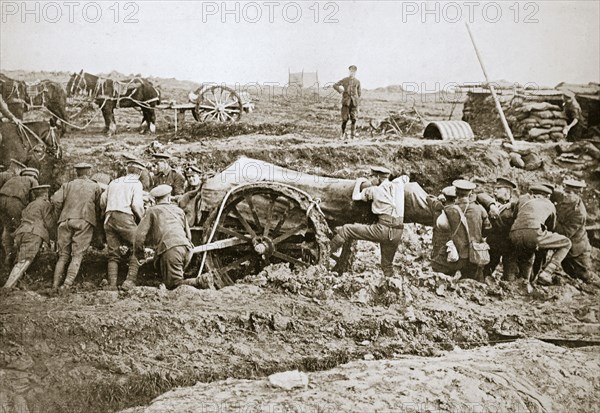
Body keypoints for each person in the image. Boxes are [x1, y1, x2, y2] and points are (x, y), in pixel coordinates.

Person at [330, 166, 408, 278]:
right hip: (397, 232)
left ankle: (324, 257)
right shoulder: (399, 184)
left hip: (382, 229)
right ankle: (392, 289)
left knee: (346, 229)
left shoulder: (374, 190)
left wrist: (358, 182)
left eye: (372, 177)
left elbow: (355, 197)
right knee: (387, 265)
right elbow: (405, 177)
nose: (370, 180)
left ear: (378, 178)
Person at [132, 185, 197, 289]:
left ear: (155, 199)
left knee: (174, 284)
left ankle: (199, 281)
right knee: (174, 281)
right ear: (168, 197)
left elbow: (139, 237)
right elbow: (189, 235)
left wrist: (140, 255)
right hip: (186, 249)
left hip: (170, 249)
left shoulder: (152, 211)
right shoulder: (179, 211)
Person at [52, 163, 103, 289]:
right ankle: (67, 285)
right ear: (89, 172)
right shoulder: (95, 186)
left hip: (65, 220)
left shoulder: (67, 185)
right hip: (84, 221)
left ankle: (54, 285)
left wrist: (60, 215)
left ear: (77, 172)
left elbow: (56, 200)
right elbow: (99, 207)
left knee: (63, 256)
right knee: (77, 255)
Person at [509, 183, 571, 287]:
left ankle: (522, 283)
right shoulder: (549, 204)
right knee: (566, 243)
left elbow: (515, 216)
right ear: (547, 196)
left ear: (533, 193)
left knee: (526, 256)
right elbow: (551, 227)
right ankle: (547, 272)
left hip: (514, 234)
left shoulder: (523, 199)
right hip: (534, 234)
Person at [431, 180, 491, 282]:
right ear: (470, 193)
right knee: (476, 282)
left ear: (456, 192)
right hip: (475, 256)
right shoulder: (479, 209)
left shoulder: (449, 210)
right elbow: (487, 229)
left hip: (456, 256)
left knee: (435, 267)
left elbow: (441, 227)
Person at [100, 160, 146, 289]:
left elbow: (103, 201)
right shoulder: (136, 183)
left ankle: (112, 284)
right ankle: (129, 281)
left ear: (127, 170)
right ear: (140, 172)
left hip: (109, 218)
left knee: (113, 253)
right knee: (137, 247)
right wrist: (143, 219)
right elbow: (136, 205)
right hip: (124, 217)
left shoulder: (114, 182)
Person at [3, 185, 55, 288]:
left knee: (21, 259)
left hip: (21, 233)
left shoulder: (30, 205)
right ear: (45, 194)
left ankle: (17, 284)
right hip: (33, 233)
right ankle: (7, 287)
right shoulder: (45, 204)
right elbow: (49, 223)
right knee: (24, 261)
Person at [477, 177, 519, 281]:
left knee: (510, 276)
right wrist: (491, 205)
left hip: (509, 246)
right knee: (485, 271)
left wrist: (512, 205)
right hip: (493, 244)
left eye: (499, 188)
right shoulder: (492, 202)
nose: (495, 190)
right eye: (495, 188)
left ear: (508, 191)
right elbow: (479, 195)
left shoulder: (514, 206)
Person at [552, 179, 594, 283]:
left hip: (577, 251)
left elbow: (564, 233)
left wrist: (551, 219)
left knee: (586, 277)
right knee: (570, 273)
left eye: (569, 193)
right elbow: (550, 191)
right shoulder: (562, 196)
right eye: (564, 191)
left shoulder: (579, 213)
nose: (564, 195)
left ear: (577, 195)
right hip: (565, 248)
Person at [0, 168, 39, 265]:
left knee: (8, 228)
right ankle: (18, 256)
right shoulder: (32, 180)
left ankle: (8, 252)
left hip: (1, 200)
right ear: (34, 176)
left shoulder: (13, 179)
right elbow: (35, 200)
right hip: (15, 202)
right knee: (20, 228)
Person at [333, 65, 361, 139]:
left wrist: (356, 100)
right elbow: (335, 85)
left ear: (355, 72)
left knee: (354, 119)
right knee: (345, 119)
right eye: (351, 71)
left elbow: (359, 93)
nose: (352, 73)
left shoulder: (357, 81)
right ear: (349, 71)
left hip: (354, 103)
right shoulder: (345, 80)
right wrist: (340, 90)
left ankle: (353, 135)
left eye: (354, 71)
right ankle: (342, 134)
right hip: (346, 103)